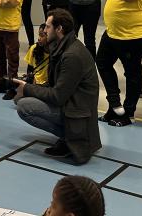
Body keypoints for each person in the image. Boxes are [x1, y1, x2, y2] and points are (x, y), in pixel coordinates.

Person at [15, 9, 102, 164]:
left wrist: (27, 88)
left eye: (48, 27)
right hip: (73, 105)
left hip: (78, 113)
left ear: (59, 29)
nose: (44, 30)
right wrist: (26, 87)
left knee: (24, 107)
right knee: (21, 99)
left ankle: (72, 139)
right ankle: (69, 136)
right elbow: (53, 85)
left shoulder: (71, 56)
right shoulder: (64, 47)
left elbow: (57, 96)